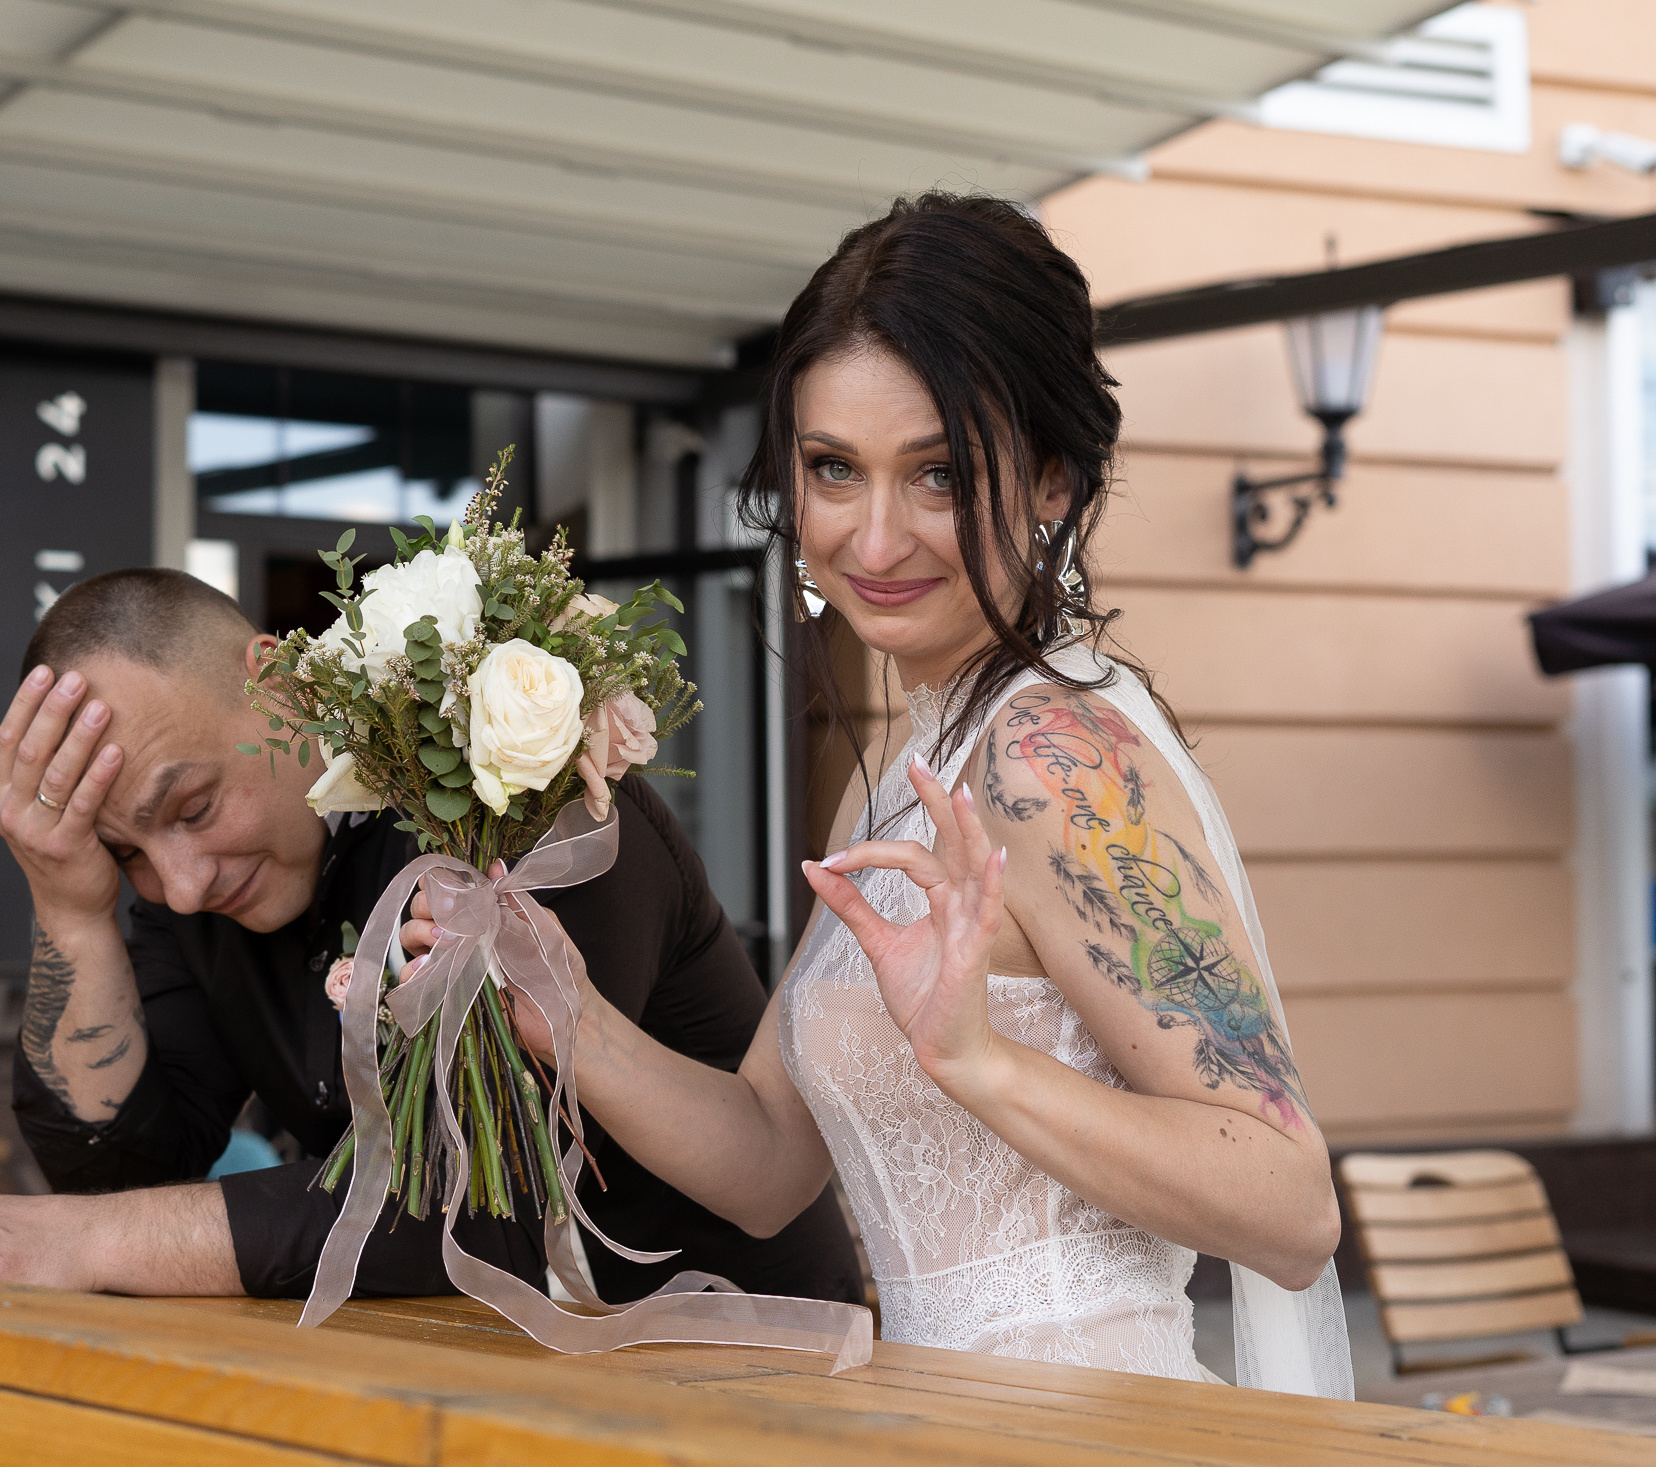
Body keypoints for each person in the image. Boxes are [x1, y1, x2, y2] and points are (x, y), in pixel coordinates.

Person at [401, 194, 1350, 1390]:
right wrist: (566, 1005)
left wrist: (983, 1063)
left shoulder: (1051, 756)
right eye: (833, 469)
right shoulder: (901, 777)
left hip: (1091, 1422)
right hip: (925, 1413)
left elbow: (1289, 1202)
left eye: (941, 473)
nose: (874, 537)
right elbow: (766, 1162)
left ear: (1053, 480)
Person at [0, 568, 861, 1306]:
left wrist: (88, 1239)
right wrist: (70, 910)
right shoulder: (178, 891)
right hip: (462, 1368)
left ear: (279, 681)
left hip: (737, 1351)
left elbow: (468, 1213)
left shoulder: (516, 809)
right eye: (128, 853)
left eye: (191, 808)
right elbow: (117, 1172)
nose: (181, 887)